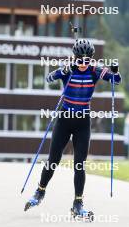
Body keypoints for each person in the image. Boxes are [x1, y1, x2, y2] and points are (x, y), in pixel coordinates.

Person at [24, 39, 122, 216]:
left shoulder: (95, 70)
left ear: (91, 59)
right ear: (74, 57)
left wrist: (115, 71)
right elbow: (48, 78)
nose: (83, 63)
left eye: (87, 60)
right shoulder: (68, 68)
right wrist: (62, 71)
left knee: (79, 164)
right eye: (80, 59)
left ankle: (77, 204)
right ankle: (40, 191)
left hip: (82, 121)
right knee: (53, 159)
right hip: (64, 119)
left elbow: (116, 80)